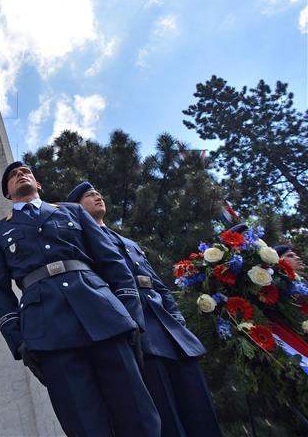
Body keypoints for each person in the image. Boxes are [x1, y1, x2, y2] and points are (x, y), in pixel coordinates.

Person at [0, 161, 160, 437]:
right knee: (84, 423)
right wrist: (18, 340)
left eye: (26, 171)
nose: (20, 174)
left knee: (137, 413)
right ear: (7, 193)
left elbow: (112, 262)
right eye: (12, 175)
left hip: (104, 317)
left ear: (38, 184)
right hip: (48, 331)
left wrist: (131, 316)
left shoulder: (74, 212)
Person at [68, 181, 222, 437]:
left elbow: (158, 284)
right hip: (138, 332)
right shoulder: (81, 243)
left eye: (97, 191)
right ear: (75, 208)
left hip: (169, 331)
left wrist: (177, 319)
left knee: (200, 410)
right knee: (166, 417)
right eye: (87, 195)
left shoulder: (127, 241)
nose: (96, 195)